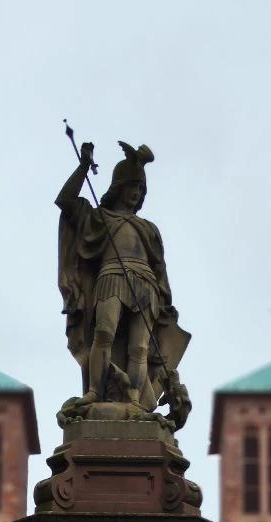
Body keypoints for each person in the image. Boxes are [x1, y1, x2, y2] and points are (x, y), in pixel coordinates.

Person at [56, 140, 190, 414]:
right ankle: (95, 391)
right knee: (103, 333)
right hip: (112, 277)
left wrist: (165, 303)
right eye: (131, 187)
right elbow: (66, 201)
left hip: (146, 285)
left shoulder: (148, 228)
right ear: (118, 187)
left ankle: (135, 403)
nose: (135, 193)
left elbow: (160, 269)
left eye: (139, 189)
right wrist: (83, 166)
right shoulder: (100, 218)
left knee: (139, 348)